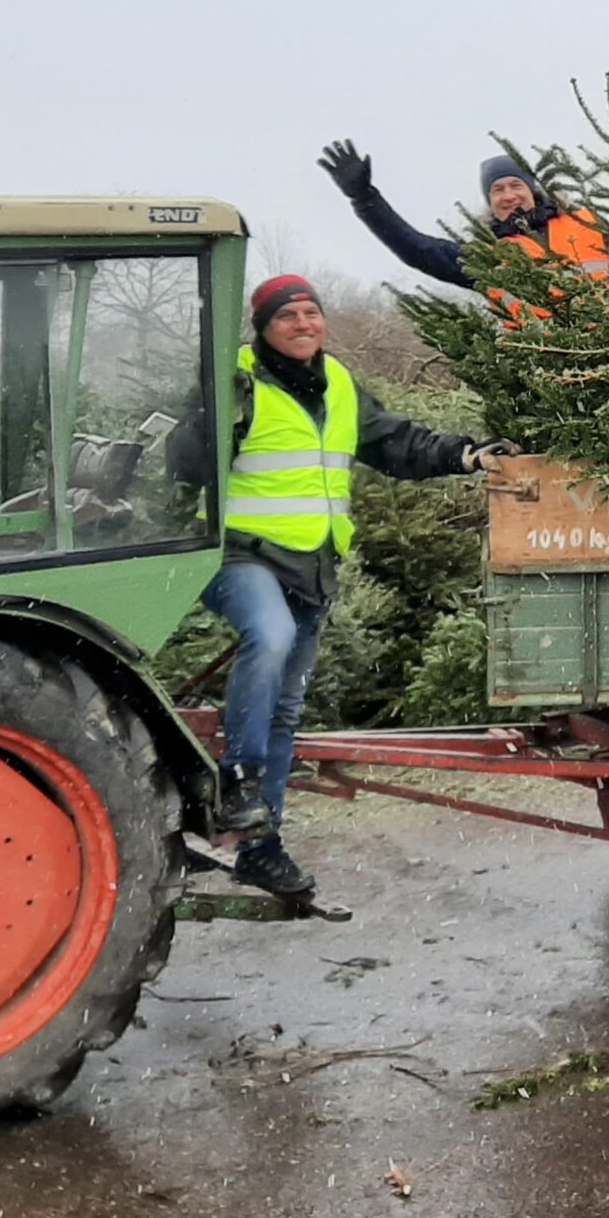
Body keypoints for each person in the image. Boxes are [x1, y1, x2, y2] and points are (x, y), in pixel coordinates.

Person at [168, 275, 515, 896]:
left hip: (314, 563)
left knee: (286, 709)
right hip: (240, 553)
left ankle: (260, 851)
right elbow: (184, 464)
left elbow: (396, 442)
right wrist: (211, 412)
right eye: (287, 316)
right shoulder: (237, 381)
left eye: (311, 313)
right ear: (263, 327)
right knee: (268, 637)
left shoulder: (340, 385)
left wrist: (465, 455)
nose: (303, 324)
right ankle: (239, 785)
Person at [317, 140, 609, 295]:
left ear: (533, 190)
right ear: (490, 202)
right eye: (497, 190)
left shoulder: (586, 222)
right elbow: (419, 250)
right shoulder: (489, 257)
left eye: (515, 185)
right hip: (547, 382)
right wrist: (366, 200)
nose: (508, 195)